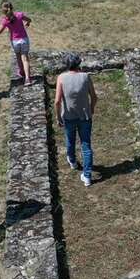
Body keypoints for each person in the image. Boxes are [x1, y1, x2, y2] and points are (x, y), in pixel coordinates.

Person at [55, 53, 98, 187]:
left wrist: (58, 117)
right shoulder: (85, 77)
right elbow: (94, 97)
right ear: (78, 64)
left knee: (70, 140)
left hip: (69, 116)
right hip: (84, 116)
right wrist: (91, 108)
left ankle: (72, 161)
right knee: (86, 145)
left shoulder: (61, 78)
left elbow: (57, 101)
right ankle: (87, 176)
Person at [0, 0, 33, 85]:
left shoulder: (5, 20)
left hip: (15, 41)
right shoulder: (19, 15)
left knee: (18, 58)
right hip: (24, 39)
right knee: (25, 59)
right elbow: (29, 19)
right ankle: (27, 79)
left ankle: (21, 72)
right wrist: (28, 23)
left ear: (2, 10)